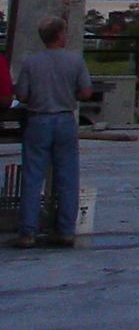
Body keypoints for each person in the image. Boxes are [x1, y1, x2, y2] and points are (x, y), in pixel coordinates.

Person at [13, 17, 92, 249]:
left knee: (32, 176)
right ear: (60, 35)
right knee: (67, 176)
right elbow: (86, 92)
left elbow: (22, 96)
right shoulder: (74, 61)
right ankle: (66, 230)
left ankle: (28, 231)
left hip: (38, 120)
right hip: (65, 120)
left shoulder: (31, 63)